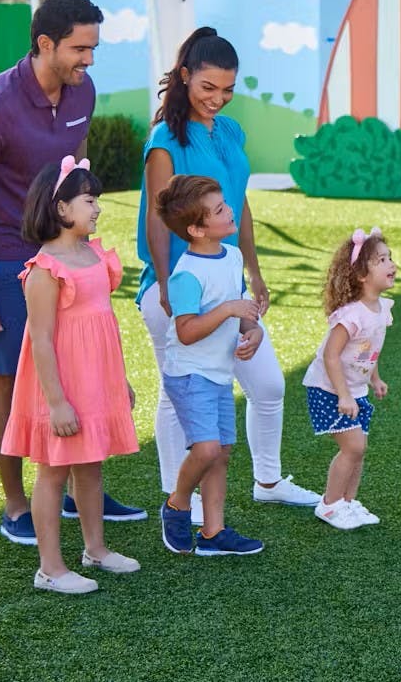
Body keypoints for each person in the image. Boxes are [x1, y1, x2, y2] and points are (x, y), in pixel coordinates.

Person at [0, 0, 145, 546]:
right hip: (6, 256)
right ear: (45, 44)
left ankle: (83, 492)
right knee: (9, 382)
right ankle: (15, 505)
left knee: (79, 369)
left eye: (94, 48)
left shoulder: (83, 90)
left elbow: (76, 170)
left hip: (65, 252)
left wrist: (85, 242)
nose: (90, 60)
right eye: (81, 48)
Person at [137, 26, 319, 521]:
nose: (218, 99)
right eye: (208, 88)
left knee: (267, 386)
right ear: (184, 78)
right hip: (179, 288)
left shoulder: (232, 132)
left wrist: (254, 273)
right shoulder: (164, 140)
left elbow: (238, 205)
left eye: (228, 90)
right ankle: (183, 498)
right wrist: (165, 284)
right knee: (178, 396)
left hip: (228, 282)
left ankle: (269, 480)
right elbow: (157, 216)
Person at [0, 156, 141, 593]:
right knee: (53, 471)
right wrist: (57, 401)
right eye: (88, 200)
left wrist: (120, 382)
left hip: (96, 379)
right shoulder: (44, 270)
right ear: (61, 208)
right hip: (60, 385)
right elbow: (40, 340)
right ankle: (50, 568)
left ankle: (95, 549)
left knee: (91, 466)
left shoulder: (93, 255)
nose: (97, 208)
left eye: (96, 200)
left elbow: (103, 325)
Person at [154, 175, 267, 557]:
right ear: (196, 229)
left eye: (225, 204)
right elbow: (186, 331)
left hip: (218, 372)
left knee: (221, 452)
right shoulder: (186, 274)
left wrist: (252, 330)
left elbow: (240, 306)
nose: (229, 210)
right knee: (205, 450)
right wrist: (228, 311)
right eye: (219, 210)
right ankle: (177, 505)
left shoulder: (232, 256)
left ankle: (213, 532)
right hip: (189, 374)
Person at [303, 227, 395, 531]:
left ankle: (348, 502)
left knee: (360, 448)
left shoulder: (382, 309)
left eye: (389, 258)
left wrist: (375, 379)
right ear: (361, 275)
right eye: (381, 260)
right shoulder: (351, 315)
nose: (391, 265)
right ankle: (329, 505)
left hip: (354, 389)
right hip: (328, 389)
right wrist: (342, 395)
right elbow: (331, 356)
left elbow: (371, 351)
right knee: (353, 447)